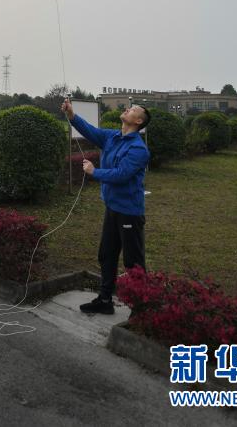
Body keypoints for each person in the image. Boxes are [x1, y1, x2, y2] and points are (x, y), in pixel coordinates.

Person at [61, 97, 151, 315]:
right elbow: (91, 131)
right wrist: (71, 115)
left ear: (138, 121)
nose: (128, 109)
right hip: (112, 209)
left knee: (133, 263)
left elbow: (122, 175)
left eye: (133, 109)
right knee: (106, 255)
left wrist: (95, 172)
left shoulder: (139, 149)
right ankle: (104, 300)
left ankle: (143, 310)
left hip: (129, 213)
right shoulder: (113, 137)